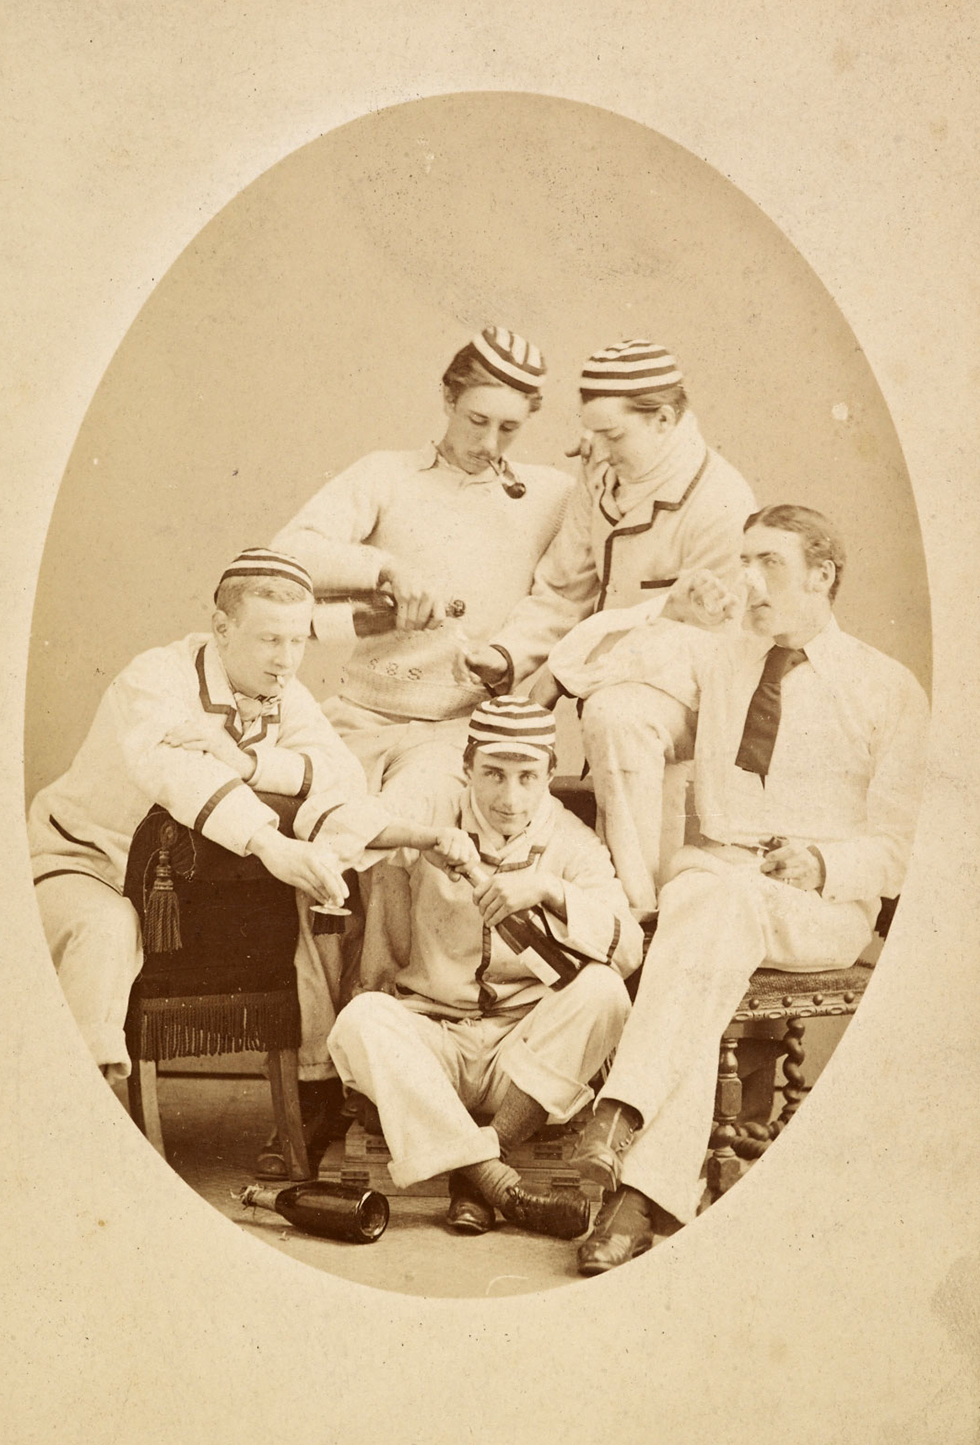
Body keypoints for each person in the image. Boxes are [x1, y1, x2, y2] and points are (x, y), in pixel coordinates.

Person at [548, 505, 930, 1274]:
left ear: (821, 577)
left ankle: (620, 1111)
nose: (748, 578)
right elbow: (581, 666)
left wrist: (823, 863)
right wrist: (669, 608)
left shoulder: (886, 688)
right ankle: (641, 1198)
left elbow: (900, 850)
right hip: (715, 880)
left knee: (708, 910)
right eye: (744, 560)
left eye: (770, 564)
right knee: (707, 901)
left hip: (816, 905)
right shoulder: (719, 653)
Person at [28, 547, 475, 1088]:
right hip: (86, 861)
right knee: (107, 928)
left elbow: (339, 778)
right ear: (221, 627)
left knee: (293, 925)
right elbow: (176, 770)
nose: (286, 659)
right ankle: (79, 1104)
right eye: (269, 639)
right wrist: (272, 844)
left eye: (295, 640)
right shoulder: (155, 676)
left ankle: (317, 1086)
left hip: (178, 891)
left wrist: (248, 761)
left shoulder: (286, 694)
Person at [326, 695, 644, 1240]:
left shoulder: (570, 840)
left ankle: (476, 1175)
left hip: (522, 1062)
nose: (509, 797)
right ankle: (496, 1181)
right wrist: (419, 838)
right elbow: (338, 831)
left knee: (605, 991)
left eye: (527, 776)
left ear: (550, 772)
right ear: (467, 766)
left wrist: (551, 890)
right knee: (361, 1020)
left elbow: (630, 948)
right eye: (493, 774)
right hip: (433, 1046)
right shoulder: (435, 808)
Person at [462, 338, 757, 919]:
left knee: (615, 714)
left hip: (712, 703)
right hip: (618, 681)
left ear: (665, 420)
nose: (593, 447)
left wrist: (563, 675)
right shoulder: (601, 480)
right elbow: (562, 589)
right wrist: (506, 657)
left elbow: (707, 656)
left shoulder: (721, 503)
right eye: (589, 430)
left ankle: (636, 915)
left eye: (612, 434)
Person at [270, 326, 575, 804]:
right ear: (448, 398)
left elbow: (563, 599)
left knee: (416, 817)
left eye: (509, 428)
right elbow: (288, 553)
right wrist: (386, 568)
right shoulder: (385, 474)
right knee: (326, 825)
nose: (490, 444)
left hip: (463, 728)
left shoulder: (552, 495)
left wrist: (506, 656)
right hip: (358, 718)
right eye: (478, 420)